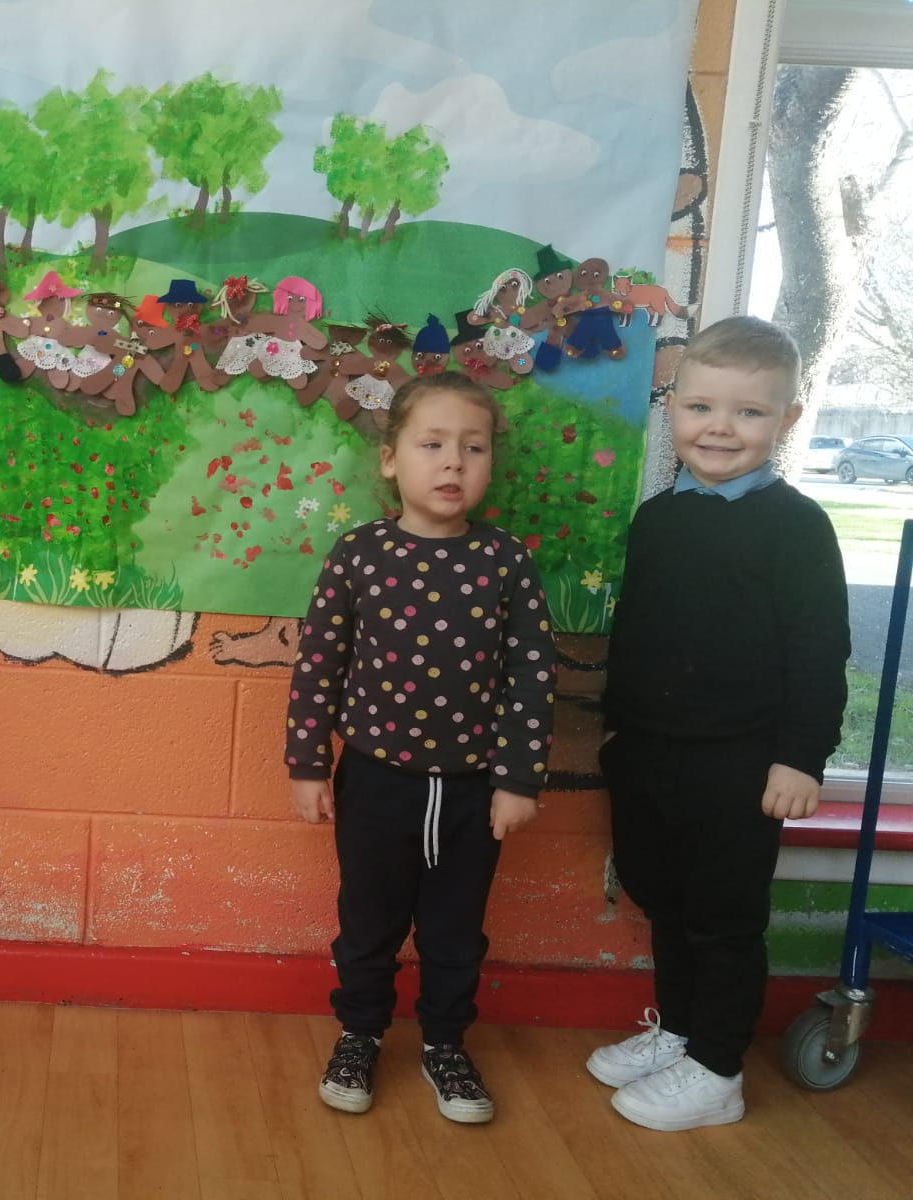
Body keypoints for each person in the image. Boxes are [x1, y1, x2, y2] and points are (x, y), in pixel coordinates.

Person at [588, 317, 849, 1131]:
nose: (720, 429)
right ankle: (681, 1030)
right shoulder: (659, 519)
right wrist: (616, 732)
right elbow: (637, 634)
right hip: (649, 755)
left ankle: (718, 1070)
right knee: (663, 899)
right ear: (673, 407)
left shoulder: (796, 527)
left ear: (787, 419)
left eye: (749, 412)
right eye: (701, 407)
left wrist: (800, 758)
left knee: (722, 919)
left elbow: (820, 651)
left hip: (741, 765)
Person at [286, 372, 555, 1124]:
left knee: (454, 932)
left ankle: (444, 1045)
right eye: (432, 445)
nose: (453, 462)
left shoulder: (506, 562)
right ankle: (360, 1034)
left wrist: (519, 779)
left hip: (474, 792)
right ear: (390, 459)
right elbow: (318, 664)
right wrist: (308, 764)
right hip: (376, 783)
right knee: (367, 923)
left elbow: (533, 674)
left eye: (473, 447)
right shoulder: (359, 554)